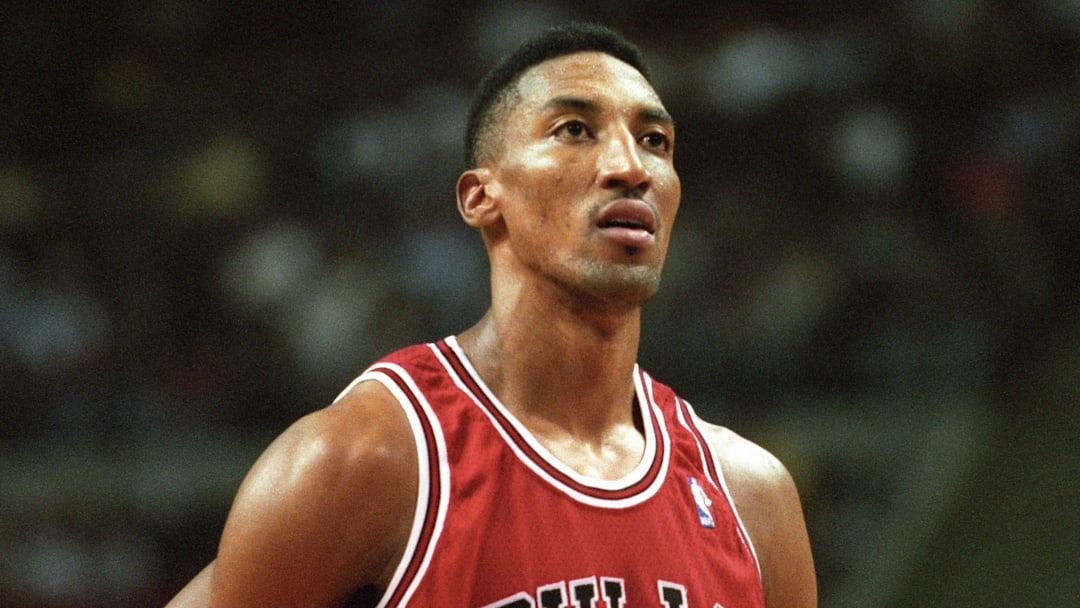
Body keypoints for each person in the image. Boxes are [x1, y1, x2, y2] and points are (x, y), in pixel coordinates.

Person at [166, 21, 816, 608]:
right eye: (574, 131)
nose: (629, 167)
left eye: (655, 141)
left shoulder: (752, 497)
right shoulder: (366, 460)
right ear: (482, 197)